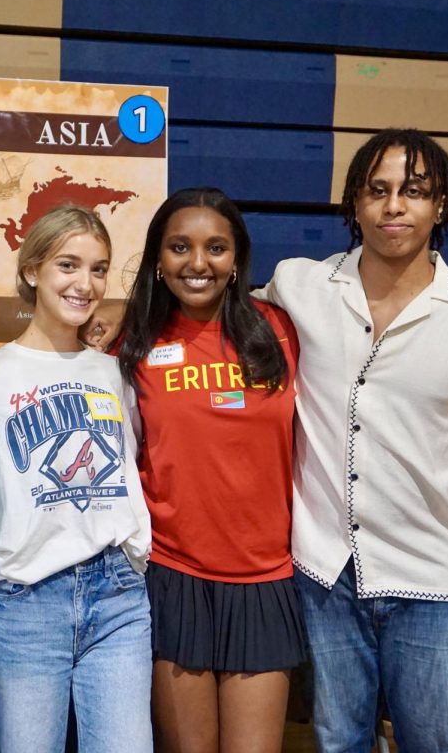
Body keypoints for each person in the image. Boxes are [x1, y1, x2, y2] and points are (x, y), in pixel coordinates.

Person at [254, 128, 448, 753]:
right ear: (353, 204)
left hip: (430, 578)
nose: (393, 207)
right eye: (377, 191)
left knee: (431, 742)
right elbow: (212, 316)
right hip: (324, 573)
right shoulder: (298, 286)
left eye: (414, 192)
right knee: (337, 741)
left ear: (441, 207)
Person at [115, 188, 304, 753]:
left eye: (216, 247)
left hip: (264, 577)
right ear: (157, 259)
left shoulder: (283, 331)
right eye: (180, 247)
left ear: (238, 259)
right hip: (173, 577)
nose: (198, 263)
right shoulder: (133, 342)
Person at [0, 206, 153, 753]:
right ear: (31, 271)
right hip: (27, 603)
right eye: (68, 265)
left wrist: (136, 548)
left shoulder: (115, 373)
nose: (84, 283)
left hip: (118, 598)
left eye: (98, 269)